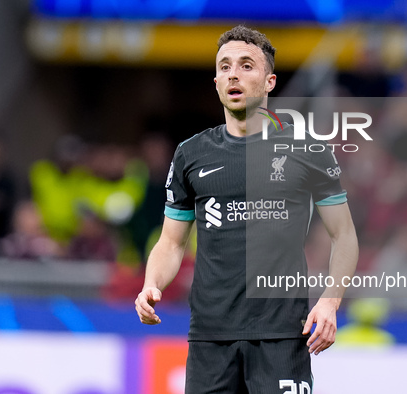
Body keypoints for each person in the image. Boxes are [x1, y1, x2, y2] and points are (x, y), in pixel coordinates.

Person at [135, 25, 359, 393]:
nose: (233, 74)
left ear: (270, 81)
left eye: (245, 65)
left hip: (283, 334)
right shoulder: (191, 154)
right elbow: (171, 243)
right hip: (210, 337)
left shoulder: (308, 150)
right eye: (224, 67)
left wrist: (330, 302)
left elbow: (344, 235)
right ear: (216, 81)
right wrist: (151, 284)